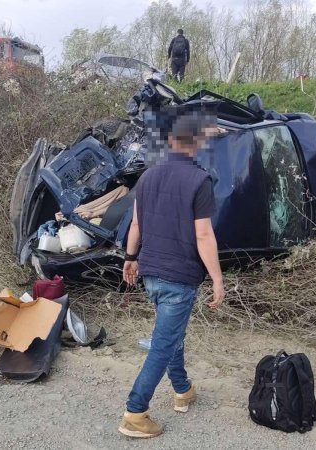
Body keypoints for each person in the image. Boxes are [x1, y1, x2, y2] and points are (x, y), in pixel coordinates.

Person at [118, 111, 225, 438]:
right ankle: (135, 413)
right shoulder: (199, 180)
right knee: (163, 344)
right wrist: (218, 279)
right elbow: (204, 236)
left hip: (151, 273)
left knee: (170, 332)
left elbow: (136, 225)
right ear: (195, 143)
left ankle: (183, 390)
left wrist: (130, 258)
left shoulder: (148, 176)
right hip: (179, 276)